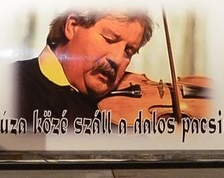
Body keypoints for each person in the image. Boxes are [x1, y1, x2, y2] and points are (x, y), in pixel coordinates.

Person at [9, 9, 154, 120]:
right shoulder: (13, 86)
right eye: (109, 39)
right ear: (72, 27)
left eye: (128, 51)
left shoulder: (128, 112)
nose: (117, 59)